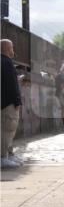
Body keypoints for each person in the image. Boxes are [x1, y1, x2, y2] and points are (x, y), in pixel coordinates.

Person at [1, 39, 23, 169]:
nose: (13, 49)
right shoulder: (7, 62)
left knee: (6, 129)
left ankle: (8, 154)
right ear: (7, 48)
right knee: (7, 129)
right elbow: (11, 84)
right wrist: (17, 101)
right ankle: (3, 157)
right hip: (8, 103)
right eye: (11, 47)